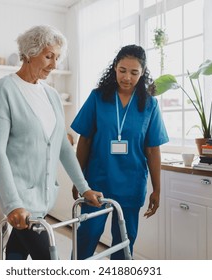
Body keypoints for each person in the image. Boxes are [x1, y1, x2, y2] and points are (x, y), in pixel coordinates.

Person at [0, 25, 103, 260]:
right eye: (49, 56)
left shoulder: (51, 95)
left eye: (57, 58)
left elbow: (62, 146)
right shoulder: (6, 88)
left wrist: (84, 187)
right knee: (50, 260)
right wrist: (12, 204)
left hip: (44, 199)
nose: (54, 65)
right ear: (29, 53)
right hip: (20, 201)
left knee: (16, 254)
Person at [71, 44, 169, 260]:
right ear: (114, 68)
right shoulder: (98, 97)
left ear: (142, 73)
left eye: (134, 72)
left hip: (131, 183)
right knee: (87, 235)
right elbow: (84, 140)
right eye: (122, 70)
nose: (127, 77)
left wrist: (157, 189)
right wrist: (79, 181)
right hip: (97, 182)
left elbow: (153, 150)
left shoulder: (149, 104)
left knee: (125, 241)